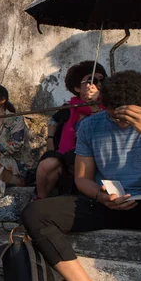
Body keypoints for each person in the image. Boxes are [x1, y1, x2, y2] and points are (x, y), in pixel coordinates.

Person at [22, 71, 141, 281]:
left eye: (128, 115)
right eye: (114, 112)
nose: (120, 119)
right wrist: (99, 195)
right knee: (36, 213)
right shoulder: (92, 126)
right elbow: (82, 178)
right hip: (108, 203)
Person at [36, 61, 107, 198]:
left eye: (101, 80)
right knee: (49, 162)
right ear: (77, 88)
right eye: (91, 80)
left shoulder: (107, 107)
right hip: (66, 157)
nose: (97, 83)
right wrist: (50, 144)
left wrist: (94, 106)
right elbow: (53, 122)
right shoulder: (69, 108)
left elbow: (102, 130)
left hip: (93, 158)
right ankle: (41, 199)